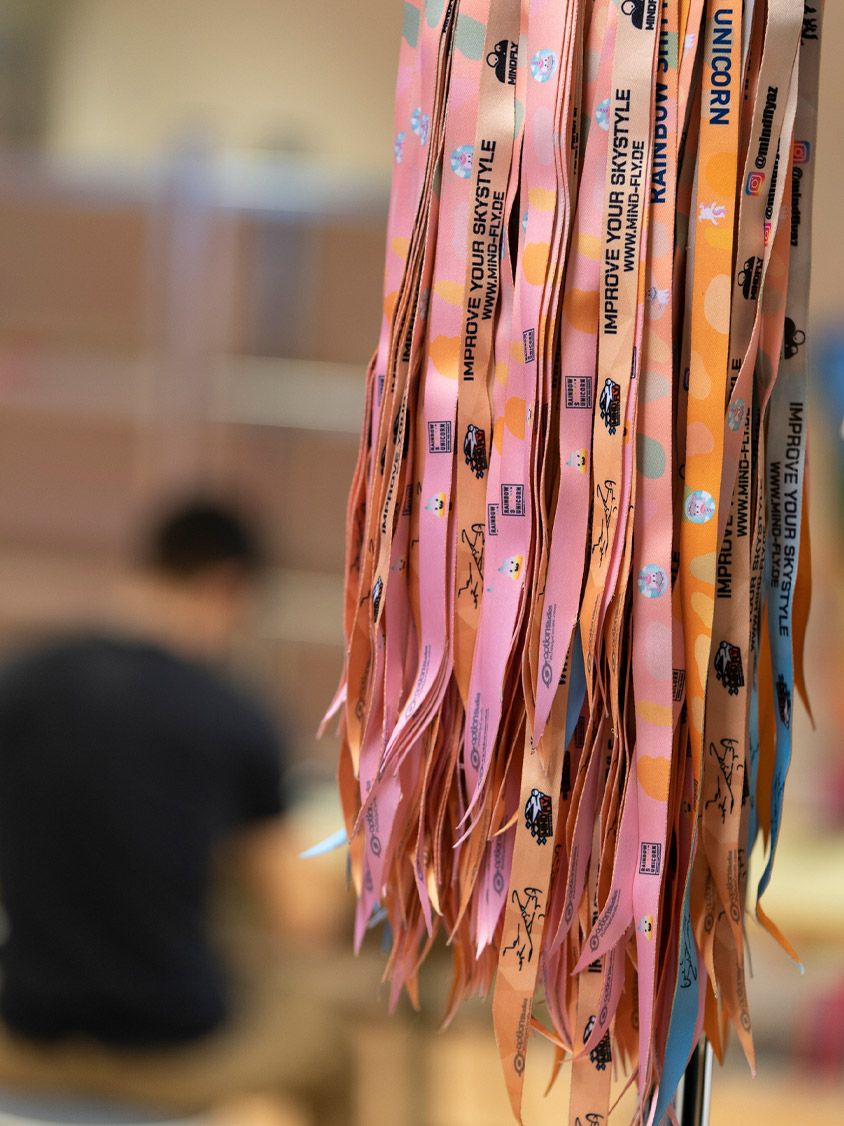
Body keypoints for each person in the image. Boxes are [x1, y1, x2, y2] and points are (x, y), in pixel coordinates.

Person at [0, 499, 331, 1125]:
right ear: (230, 586)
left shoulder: (19, 684)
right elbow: (301, 916)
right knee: (329, 1042)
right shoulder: (230, 711)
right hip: (171, 1037)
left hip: (30, 1018)